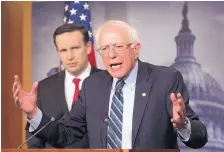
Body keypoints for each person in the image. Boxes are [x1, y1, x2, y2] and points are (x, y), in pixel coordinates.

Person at [13, 20, 207, 149]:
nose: (111, 54)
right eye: (104, 49)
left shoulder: (165, 79)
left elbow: (200, 137)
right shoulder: (92, 86)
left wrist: (183, 125)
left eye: (118, 47)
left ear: (136, 49)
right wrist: (33, 114)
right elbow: (65, 134)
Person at [22, 23, 101, 148]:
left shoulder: (108, 82)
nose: (69, 56)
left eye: (75, 48)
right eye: (63, 50)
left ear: (88, 47)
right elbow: (35, 143)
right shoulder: (43, 88)